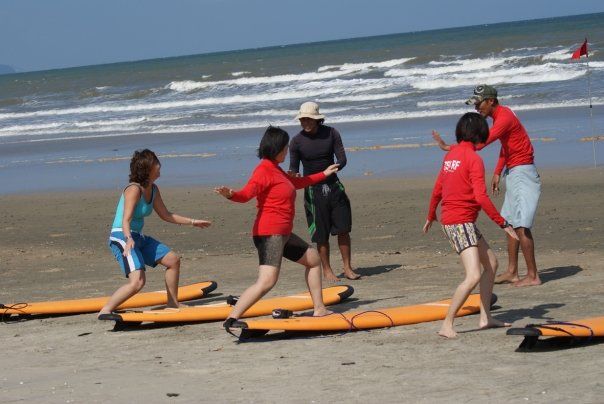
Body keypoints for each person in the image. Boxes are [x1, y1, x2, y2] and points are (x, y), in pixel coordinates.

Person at [216, 126, 340, 331]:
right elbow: (246, 195)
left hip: (282, 234)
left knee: (314, 260)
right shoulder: (263, 170)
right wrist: (230, 194)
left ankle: (319, 308)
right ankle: (231, 318)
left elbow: (298, 183)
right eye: (285, 147)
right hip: (269, 234)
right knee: (266, 281)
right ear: (277, 148)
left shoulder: (276, 169)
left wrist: (324, 174)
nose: (288, 150)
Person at [432, 85, 541, 287]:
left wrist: (449, 148)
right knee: (510, 222)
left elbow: (480, 143)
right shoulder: (501, 116)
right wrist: (499, 171)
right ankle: (512, 272)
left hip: (523, 172)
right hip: (514, 170)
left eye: (479, 103)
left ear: (491, 101)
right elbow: (506, 146)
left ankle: (533, 276)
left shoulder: (504, 117)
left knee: (521, 226)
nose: (476, 108)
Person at [424, 112, 519, 338]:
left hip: (457, 220)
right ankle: (447, 324)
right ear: (481, 134)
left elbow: (438, 186)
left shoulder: (453, 154)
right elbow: (481, 197)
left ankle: (486, 317)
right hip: (459, 222)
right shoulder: (474, 159)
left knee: (492, 264)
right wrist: (502, 222)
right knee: (473, 275)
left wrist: (431, 214)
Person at [98, 149, 211, 318]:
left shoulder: (154, 189)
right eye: (156, 163)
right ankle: (106, 310)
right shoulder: (133, 189)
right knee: (138, 282)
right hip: (122, 236)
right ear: (147, 168)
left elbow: (166, 215)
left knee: (173, 260)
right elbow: (125, 220)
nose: (159, 166)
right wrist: (128, 239)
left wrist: (193, 222)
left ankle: (172, 303)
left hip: (136, 237)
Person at [289, 101, 360, 282]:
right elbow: (293, 167)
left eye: (308, 119)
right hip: (313, 190)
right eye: (302, 119)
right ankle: (327, 270)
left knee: (343, 229)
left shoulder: (331, 133)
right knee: (321, 234)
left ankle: (347, 268)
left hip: (334, 186)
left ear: (317, 119)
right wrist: (294, 175)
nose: (305, 122)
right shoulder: (296, 141)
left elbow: (342, 158)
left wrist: (335, 167)